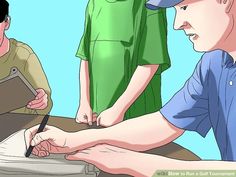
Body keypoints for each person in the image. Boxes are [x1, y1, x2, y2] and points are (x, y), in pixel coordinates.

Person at [25, 0, 236, 176]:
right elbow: (165, 123)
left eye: (185, 7)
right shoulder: (215, 63)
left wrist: (137, 163)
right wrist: (72, 139)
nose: (177, 24)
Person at [75, 0, 170, 126]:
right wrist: (84, 103)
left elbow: (150, 62)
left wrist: (118, 109)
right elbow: (85, 57)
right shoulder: (94, 3)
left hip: (137, 117)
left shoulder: (150, 4)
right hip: (96, 117)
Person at [0, 0, 52, 115]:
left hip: (21, 126)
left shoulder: (23, 55)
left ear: (6, 23)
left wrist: (42, 100)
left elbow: (46, 101)